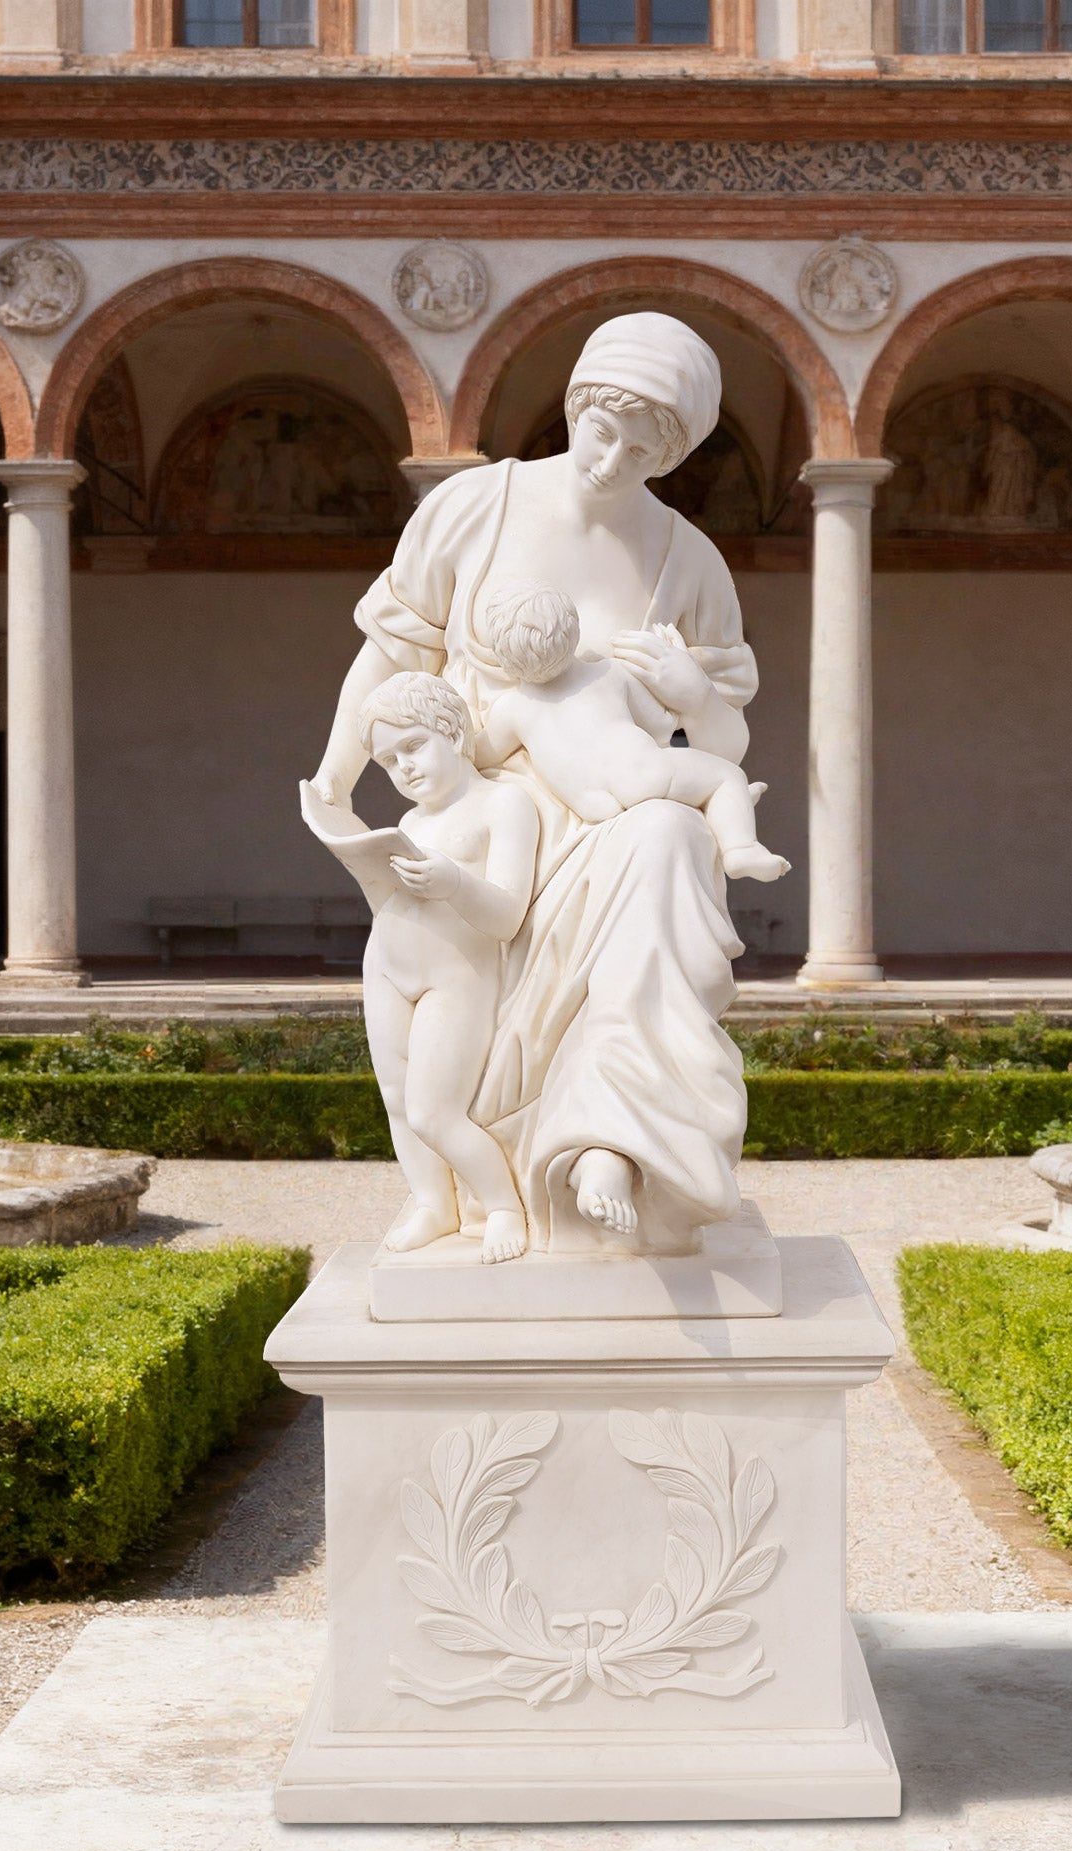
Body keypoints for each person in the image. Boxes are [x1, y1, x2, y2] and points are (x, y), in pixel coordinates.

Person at [308, 313, 758, 1254]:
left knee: (671, 836)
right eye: (602, 430)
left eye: (643, 450)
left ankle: (610, 1142)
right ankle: (462, 1191)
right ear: (576, 405)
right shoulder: (475, 506)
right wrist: (336, 776)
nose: (611, 460)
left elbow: (725, 738)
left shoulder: (688, 562)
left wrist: (690, 694)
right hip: (484, 817)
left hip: (617, 814)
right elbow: (392, 656)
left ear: (672, 456)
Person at [355, 672, 541, 1263]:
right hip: (387, 965)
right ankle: (434, 1203)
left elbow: (507, 914)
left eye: (413, 746)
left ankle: (503, 1205)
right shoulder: (410, 822)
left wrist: (455, 881)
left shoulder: (503, 803)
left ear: (454, 732)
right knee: (396, 1099)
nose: (404, 768)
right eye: (388, 761)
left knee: (434, 1111)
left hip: (454, 977)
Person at [476, 579, 788, 883]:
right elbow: (662, 726)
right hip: (641, 773)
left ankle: (719, 806)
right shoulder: (607, 673)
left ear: (501, 655)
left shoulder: (510, 709)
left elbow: (480, 755)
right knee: (727, 777)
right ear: (574, 631)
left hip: (592, 805)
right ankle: (740, 848)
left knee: (684, 790)